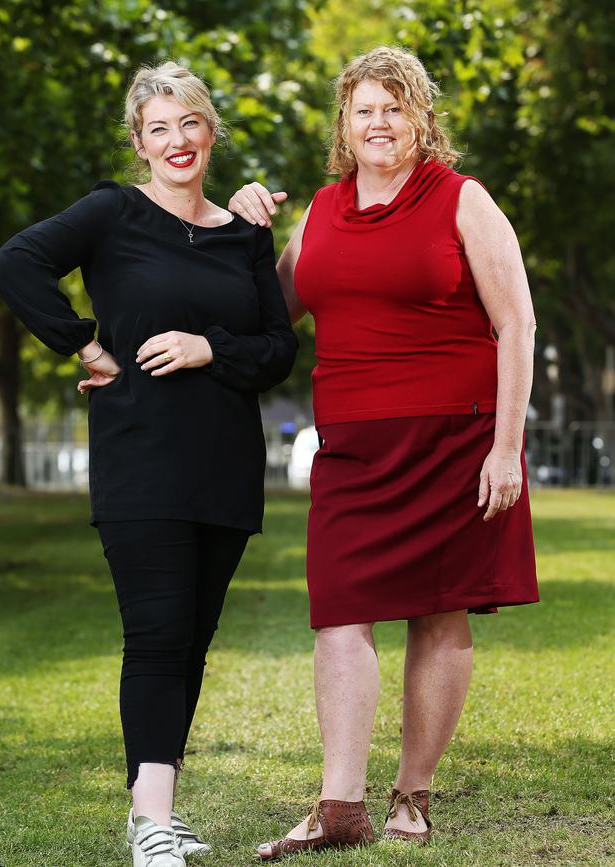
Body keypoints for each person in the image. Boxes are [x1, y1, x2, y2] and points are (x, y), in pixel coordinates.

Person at [229, 45, 539, 857]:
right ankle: (341, 808)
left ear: (421, 119)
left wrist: (506, 447)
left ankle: (413, 794)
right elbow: (272, 310)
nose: (380, 122)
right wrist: (237, 230)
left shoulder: (463, 200)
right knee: (339, 611)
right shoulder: (323, 211)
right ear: (344, 123)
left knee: (438, 611)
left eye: (395, 108)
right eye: (365, 109)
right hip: (352, 451)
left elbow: (518, 325)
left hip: (455, 439)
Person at [0, 62, 296, 867]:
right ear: (139, 141)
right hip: (141, 460)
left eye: (189, 123)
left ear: (210, 130)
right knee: (157, 635)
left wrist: (210, 347)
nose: (177, 141)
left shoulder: (244, 235)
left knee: (190, 640)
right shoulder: (112, 212)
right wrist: (85, 342)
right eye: (158, 128)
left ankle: (151, 809)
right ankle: (154, 825)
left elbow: (277, 350)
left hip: (226, 465)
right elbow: (16, 262)